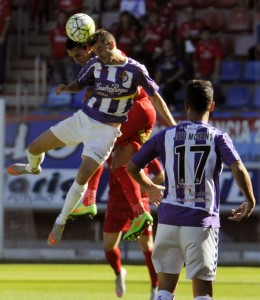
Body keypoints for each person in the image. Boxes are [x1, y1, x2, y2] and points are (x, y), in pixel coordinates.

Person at [7, 29, 176, 246]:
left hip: (105, 132)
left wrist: (172, 125)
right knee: (33, 148)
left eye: (100, 50)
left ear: (112, 44)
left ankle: (60, 221)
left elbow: (156, 98)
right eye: (95, 51)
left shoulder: (135, 69)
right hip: (82, 120)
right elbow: (80, 83)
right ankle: (32, 167)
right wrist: (68, 88)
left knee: (82, 178)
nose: (98, 55)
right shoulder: (95, 64)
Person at [126, 79, 256, 300]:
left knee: (164, 291)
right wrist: (250, 200)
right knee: (203, 293)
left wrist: (149, 187)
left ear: (186, 105)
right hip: (200, 221)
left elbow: (132, 166)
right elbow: (239, 169)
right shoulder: (217, 137)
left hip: (168, 220)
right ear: (212, 106)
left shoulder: (165, 136)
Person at [65, 37, 160, 243]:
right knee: (118, 163)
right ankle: (139, 213)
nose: (77, 60)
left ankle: (90, 198)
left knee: (96, 143)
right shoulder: (100, 62)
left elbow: (132, 89)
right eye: (73, 58)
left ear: (89, 49)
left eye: (79, 55)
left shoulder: (109, 57)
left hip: (135, 109)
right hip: (140, 114)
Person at [103, 156, 164, 299]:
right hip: (116, 202)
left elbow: (160, 174)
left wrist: (142, 189)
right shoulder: (112, 149)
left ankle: (155, 287)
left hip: (139, 202)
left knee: (147, 246)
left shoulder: (143, 151)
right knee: (108, 245)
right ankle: (119, 273)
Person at [0, 0, 11, 93]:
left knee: (0, 61)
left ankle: (0, 84)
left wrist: (3, 35)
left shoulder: (4, 3)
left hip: (0, 37)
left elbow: (7, 21)